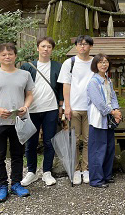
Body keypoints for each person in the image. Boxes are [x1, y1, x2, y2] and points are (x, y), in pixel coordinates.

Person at [0, 42, 34, 203]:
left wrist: (25, 106)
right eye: (3, 54)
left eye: (10, 54)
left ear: (15, 56)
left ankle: (16, 184)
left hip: (18, 121)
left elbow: (29, 95)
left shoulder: (24, 75)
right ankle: (1, 186)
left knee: (17, 155)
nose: (7, 57)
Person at [20, 36, 63, 187]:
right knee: (30, 142)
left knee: (49, 141)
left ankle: (47, 172)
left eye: (49, 47)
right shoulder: (28, 67)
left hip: (50, 109)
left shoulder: (58, 66)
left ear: (52, 49)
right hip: (31, 109)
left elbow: (61, 88)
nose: (46, 49)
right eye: (43, 46)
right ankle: (31, 172)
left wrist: (61, 105)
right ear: (38, 48)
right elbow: (21, 87)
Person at [57, 34, 94, 184]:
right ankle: (75, 169)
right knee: (74, 140)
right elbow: (66, 84)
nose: (82, 46)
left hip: (91, 108)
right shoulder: (69, 63)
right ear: (76, 46)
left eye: (85, 44)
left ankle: (86, 169)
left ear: (90, 46)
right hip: (74, 107)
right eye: (80, 44)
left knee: (88, 140)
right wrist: (67, 106)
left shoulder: (95, 62)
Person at [87, 54, 121, 188]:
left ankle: (107, 175)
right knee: (97, 150)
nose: (104, 64)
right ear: (95, 65)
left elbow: (113, 97)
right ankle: (96, 179)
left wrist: (117, 110)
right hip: (98, 120)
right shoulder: (93, 82)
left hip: (108, 119)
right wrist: (113, 112)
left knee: (108, 148)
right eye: (100, 62)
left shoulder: (108, 80)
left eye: (106, 62)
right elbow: (99, 103)